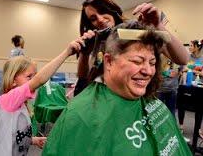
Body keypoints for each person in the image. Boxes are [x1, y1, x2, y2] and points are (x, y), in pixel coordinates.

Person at [42, 21, 191, 155]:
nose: (148, 71)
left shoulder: (151, 102)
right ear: (109, 61)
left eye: (152, 63)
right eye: (137, 61)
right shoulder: (80, 115)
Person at [74, 0, 189, 96]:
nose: (99, 19)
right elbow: (83, 76)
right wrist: (84, 53)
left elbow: (183, 59)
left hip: (136, 99)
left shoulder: (134, 30)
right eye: (93, 18)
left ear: (111, 9)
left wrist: (158, 25)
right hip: (106, 102)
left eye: (102, 11)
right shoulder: (96, 39)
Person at [0, 37, 86, 156]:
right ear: (13, 80)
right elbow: (40, 80)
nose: (33, 81)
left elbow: (15, 134)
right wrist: (66, 52)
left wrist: (33, 140)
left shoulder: (23, 104)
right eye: (29, 77)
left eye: (34, 76)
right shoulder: (7, 100)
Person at [178, 39, 203, 133]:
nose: (189, 47)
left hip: (198, 87)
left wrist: (191, 70)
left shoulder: (202, 59)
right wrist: (196, 71)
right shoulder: (187, 57)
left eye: (191, 45)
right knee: (182, 106)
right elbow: (182, 70)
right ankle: (181, 126)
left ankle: (198, 129)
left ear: (197, 47)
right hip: (186, 85)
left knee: (199, 109)